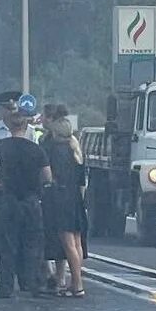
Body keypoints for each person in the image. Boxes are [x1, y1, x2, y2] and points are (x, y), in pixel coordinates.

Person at [0, 97, 51, 299]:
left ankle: (4, 287)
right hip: (30, 200)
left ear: (10, 127)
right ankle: (32, 284)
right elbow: (47, 176)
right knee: (32, 244)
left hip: (8, 200)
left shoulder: (1, 146)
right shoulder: (36, 149)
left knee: (7, 244)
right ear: (26, 126)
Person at [42, 107, 87, 298]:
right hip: (75, 198)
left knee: (67, 244)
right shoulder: (75, 150)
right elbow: (82, 181)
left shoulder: (54, 150)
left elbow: (49, 176)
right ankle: (75, 282)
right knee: (76, 243)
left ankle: (77, 284)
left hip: (60, 198)